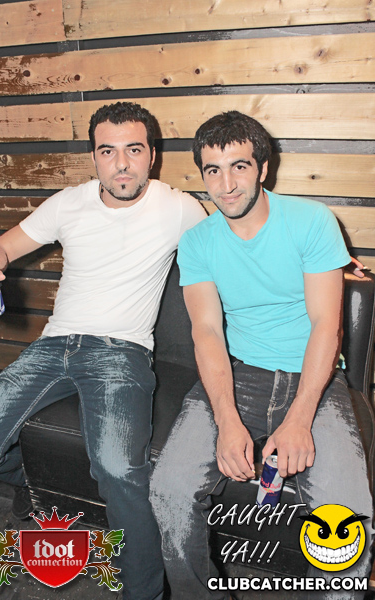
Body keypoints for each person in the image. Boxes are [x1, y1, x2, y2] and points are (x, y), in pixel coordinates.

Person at [0, 102, 206, 600]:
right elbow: (0, 247)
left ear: (152, 155)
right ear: (94, 157)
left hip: (120, 353)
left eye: (133, 150)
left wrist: (322, 268)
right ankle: (41, 485)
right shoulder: (68, 203)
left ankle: (144, 593)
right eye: (107, 151)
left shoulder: (180, 207)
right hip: (52, 345)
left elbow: (236, 250)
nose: (121, 164)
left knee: (119, 470)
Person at [150, 111, 373, 599]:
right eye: (213, 170)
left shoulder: (312, 221)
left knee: (347, 521)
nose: (226, 185)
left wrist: (299, 418)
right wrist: (226, 419)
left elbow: (326, 326)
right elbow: (207, 331)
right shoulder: (197, 242)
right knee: (168, 490)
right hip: (239, 374)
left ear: (263, 168)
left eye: (240, 166)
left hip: (313, 377)